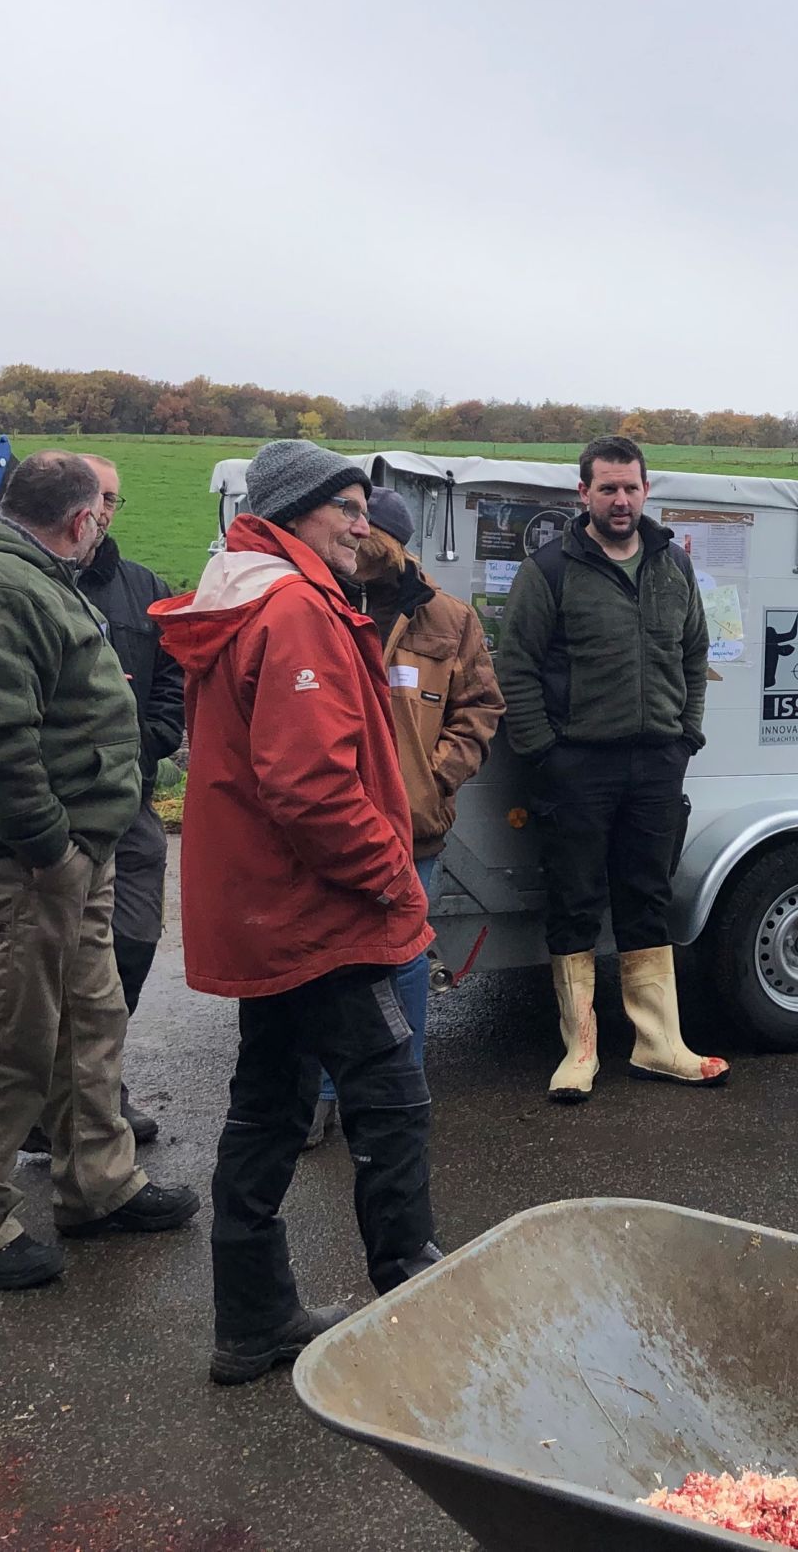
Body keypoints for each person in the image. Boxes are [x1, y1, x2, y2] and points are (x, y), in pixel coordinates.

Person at [153, 440, 440, 1384]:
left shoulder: (245, 592)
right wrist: (390, 873)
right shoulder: (294, 608)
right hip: (316, 910)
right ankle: (417, 1308)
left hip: (265, 906)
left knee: (269, 1102)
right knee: (390, 1095)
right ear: (293, 512)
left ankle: (253, 1316)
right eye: (348, 508)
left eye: (365, 509)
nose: (364, 525)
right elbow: (311, 785)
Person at [0, 450, 199, 1292]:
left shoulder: (32, 576)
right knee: (11, 1039)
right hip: (22, 863)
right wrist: (52, 852)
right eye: (99, 518)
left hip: (70, 853)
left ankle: (97, 1184)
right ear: (81, 521)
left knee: (88, 1019)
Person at [495, 435, 725, 1101]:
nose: (620, 499)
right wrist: (545, 753)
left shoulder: (673, 565)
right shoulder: (550, 570)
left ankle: (660, 1045)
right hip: (577, 768)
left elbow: (695, 651)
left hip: (656, 764)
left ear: (646, 491)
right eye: (607, 488)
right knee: (574, 903)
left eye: (630, 487)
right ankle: (581, 1051)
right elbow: (515, 667)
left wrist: (686, 734)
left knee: (646, 899)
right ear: (584, 494)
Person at [302, 486, 504, 1146]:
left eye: (368, 529)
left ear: (391, 539)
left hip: (412, 824)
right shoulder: (317, 604)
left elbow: (480, 706)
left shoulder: (446, 618)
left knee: (406, 955)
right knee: (327, 957)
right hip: (331, 815)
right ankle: (325, 1092)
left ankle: (400, 1088)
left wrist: (438, 777)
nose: (357, 538)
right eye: (350, 525)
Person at [63, 453, 182, 1147]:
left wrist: (148, 745)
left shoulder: (144, 590)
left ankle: (102, 1081)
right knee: (53, 964)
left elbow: (173, 685)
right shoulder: (35, 585)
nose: (104, 509)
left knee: (130, 942)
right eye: (95, 495)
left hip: (130, 805)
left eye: (114, 498)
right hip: (59, 812)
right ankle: (70, 1101)